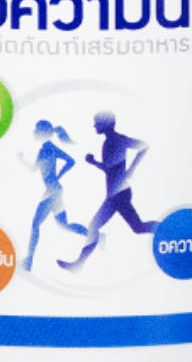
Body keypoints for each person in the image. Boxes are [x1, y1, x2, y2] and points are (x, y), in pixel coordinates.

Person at [60, 111, 157, 272]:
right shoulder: (113, 140)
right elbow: (113, 168)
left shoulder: (114, 141)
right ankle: (165, 227)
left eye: (97, 122)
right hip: (118, 192)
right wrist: (128, 169)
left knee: (94, 225)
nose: (94, 126)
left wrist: (94, 162)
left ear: (105, 124)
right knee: (137, 227)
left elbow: (113, 167)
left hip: (117, 194)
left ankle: (78, 265)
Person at [19, 120, 88, 271]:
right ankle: (97, 236)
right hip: (53, 190)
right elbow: (33, 169)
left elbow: (71, 161)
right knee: (64, 225)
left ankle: (29, 261)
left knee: (36, 224)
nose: (34, 132)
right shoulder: (43, 149)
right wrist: (22, 160)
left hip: (52, 191)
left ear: (43, 132)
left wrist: (58, 175)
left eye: (37, 129)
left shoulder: (49, 147)